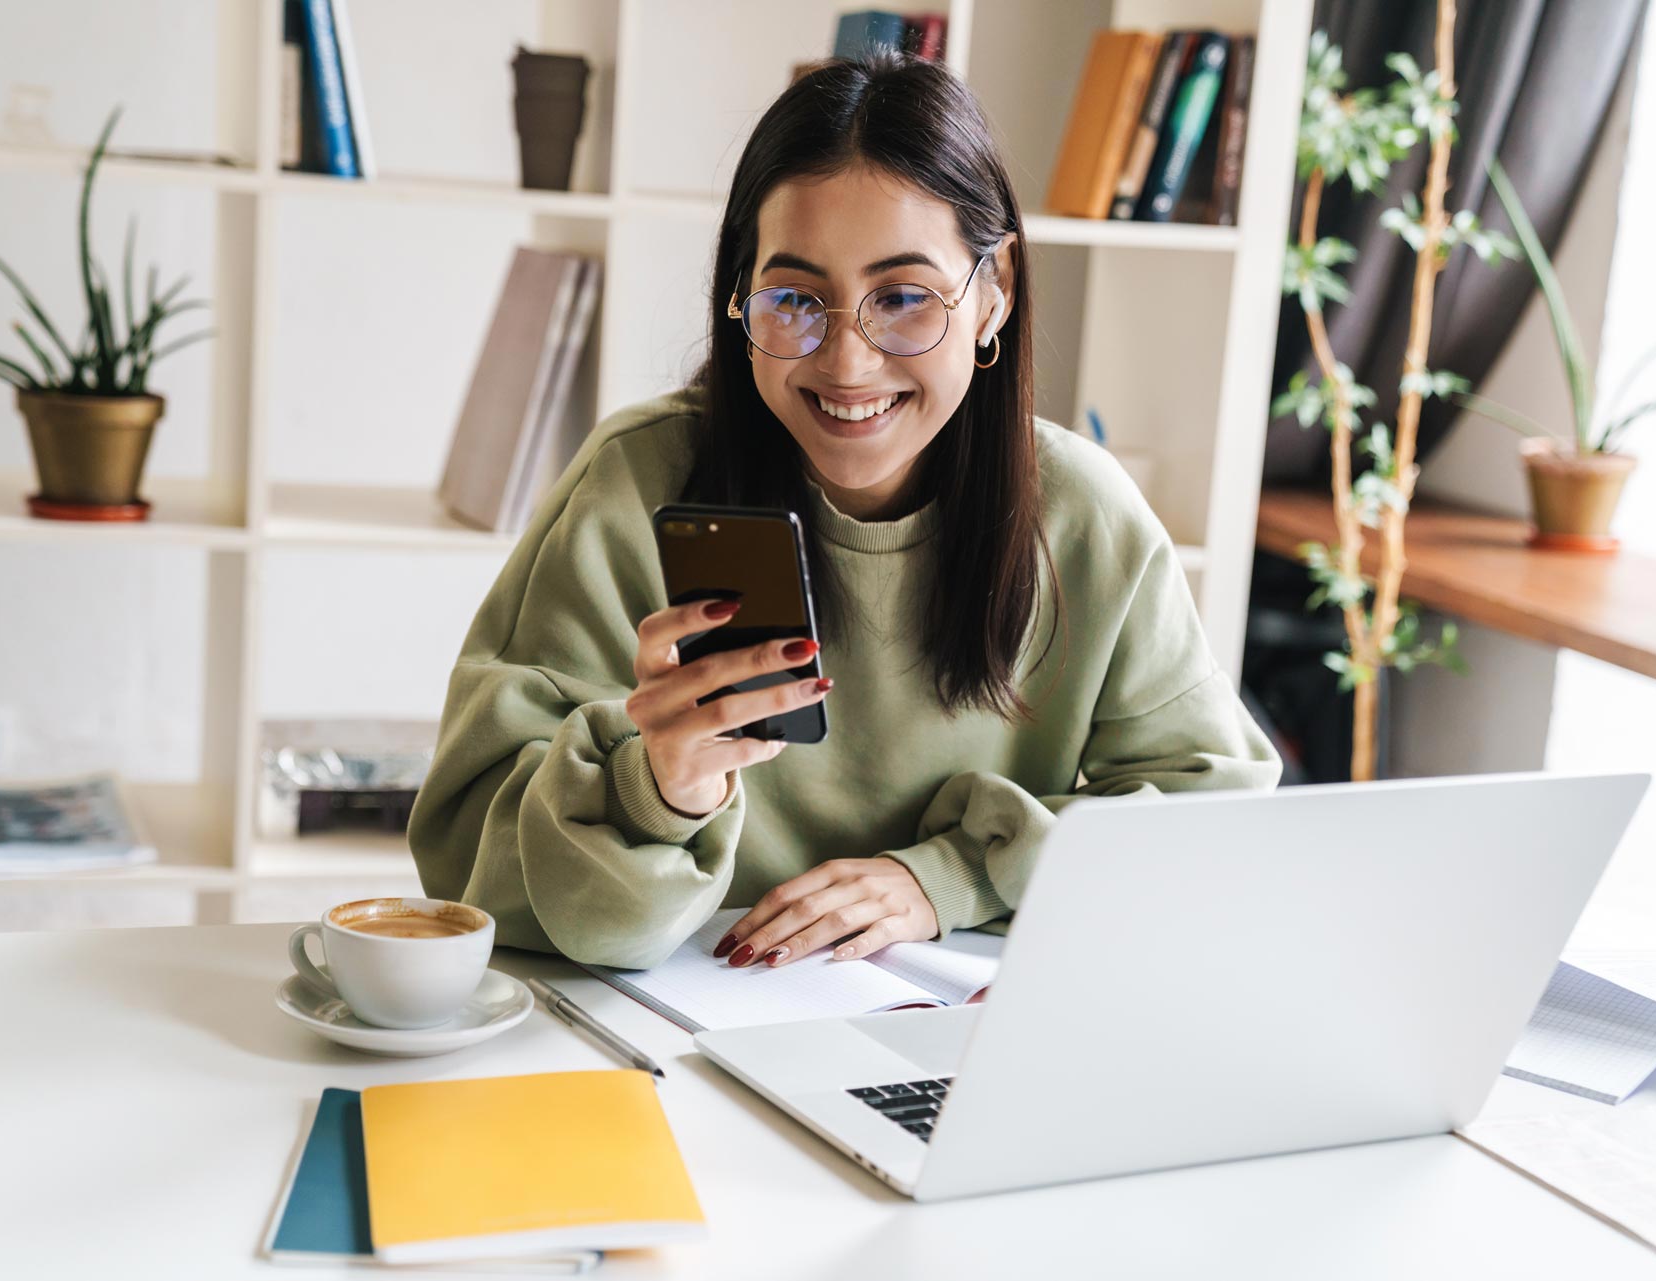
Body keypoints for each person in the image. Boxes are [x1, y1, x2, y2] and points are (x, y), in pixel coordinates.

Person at [408, 50, 1281, 971]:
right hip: (674, 1022)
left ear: (996, 293)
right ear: (741, 297)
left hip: (954, 1038)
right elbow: (470, 876)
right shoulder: (635, 486)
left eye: (902, 298)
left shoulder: (1084, 516)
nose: (847, 362)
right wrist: (661, 790)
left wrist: (950, 880)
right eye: (796, 300)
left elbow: (1210, 823)